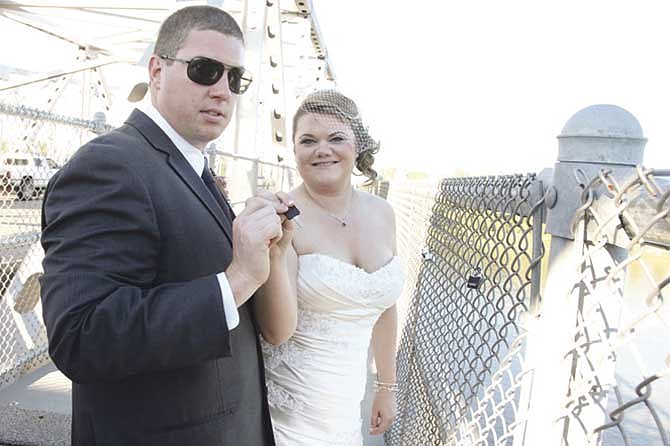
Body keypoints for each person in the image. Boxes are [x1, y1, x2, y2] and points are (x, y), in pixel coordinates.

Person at [39, 6, 291, 445]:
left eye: (235, 79)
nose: (222, 91)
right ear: (157, 70)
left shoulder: (189, 165)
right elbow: (80, 336)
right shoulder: (109, 165)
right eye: (205, 70)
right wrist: (237, 280)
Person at [255, 90, 405, 445]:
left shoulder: (383, 213)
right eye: (308, 140)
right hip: (292, 415)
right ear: (294, 153)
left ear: (357, 145)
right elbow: (277, 332)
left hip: (344, 412)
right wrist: (278, 252)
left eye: (336, 138)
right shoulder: (285, 217)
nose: (323, 149)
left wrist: (386, 386)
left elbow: (385, 307)